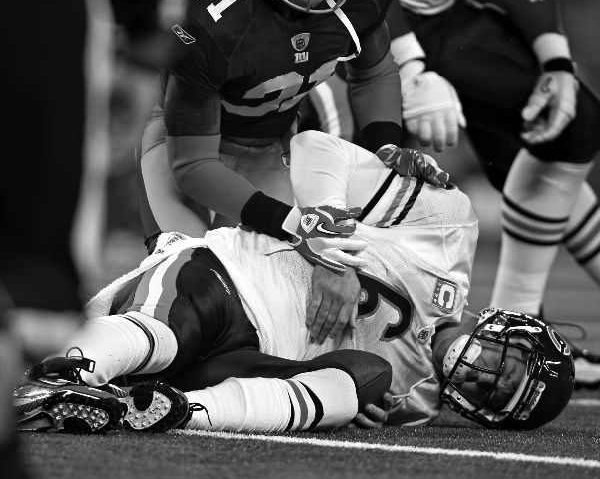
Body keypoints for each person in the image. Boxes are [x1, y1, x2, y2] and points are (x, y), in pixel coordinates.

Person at [14, 132, 574, 433]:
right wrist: (334, 252)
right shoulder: (450, 231)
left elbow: (338, 390)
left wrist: (358, 407)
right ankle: (65, 372)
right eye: (506, 368)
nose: (483, 377)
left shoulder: (419, 403)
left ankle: (175, 411)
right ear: (513, 329)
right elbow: (311, 152)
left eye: (490, 395)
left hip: (249, 364)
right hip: (231, 276)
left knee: (367, 376)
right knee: (177, 329)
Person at [343, 0, 600, 386]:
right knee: (360, 183)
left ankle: (515, 328)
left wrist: (556, 62)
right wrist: (409, 66)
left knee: (572, 124)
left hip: (445, 17)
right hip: (360, 16)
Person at [136, 0, 408, 254]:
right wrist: (290, 222)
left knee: (285, 285)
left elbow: (373, 72)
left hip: (269, 149)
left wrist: (386, 152)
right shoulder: (211, 13)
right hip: (186, 150)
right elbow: (192, 167)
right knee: (188, 274)